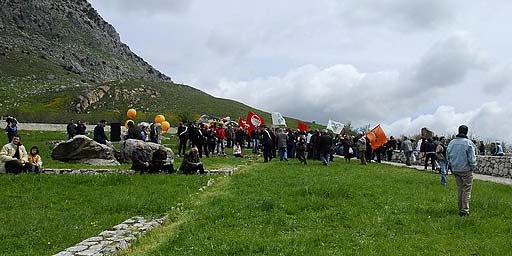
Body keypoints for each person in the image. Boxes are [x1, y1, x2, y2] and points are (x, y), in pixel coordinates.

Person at [447, 125, 477, 217]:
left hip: (455, 169)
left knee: (460, 188)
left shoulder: (451, 143)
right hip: (466, 169)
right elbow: (472, 158)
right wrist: (473, 167)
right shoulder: (468, 143)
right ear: (466, 132)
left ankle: (460, 208)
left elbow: (447, 156)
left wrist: (451, 166)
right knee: (466, 189)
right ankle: (464, 210)